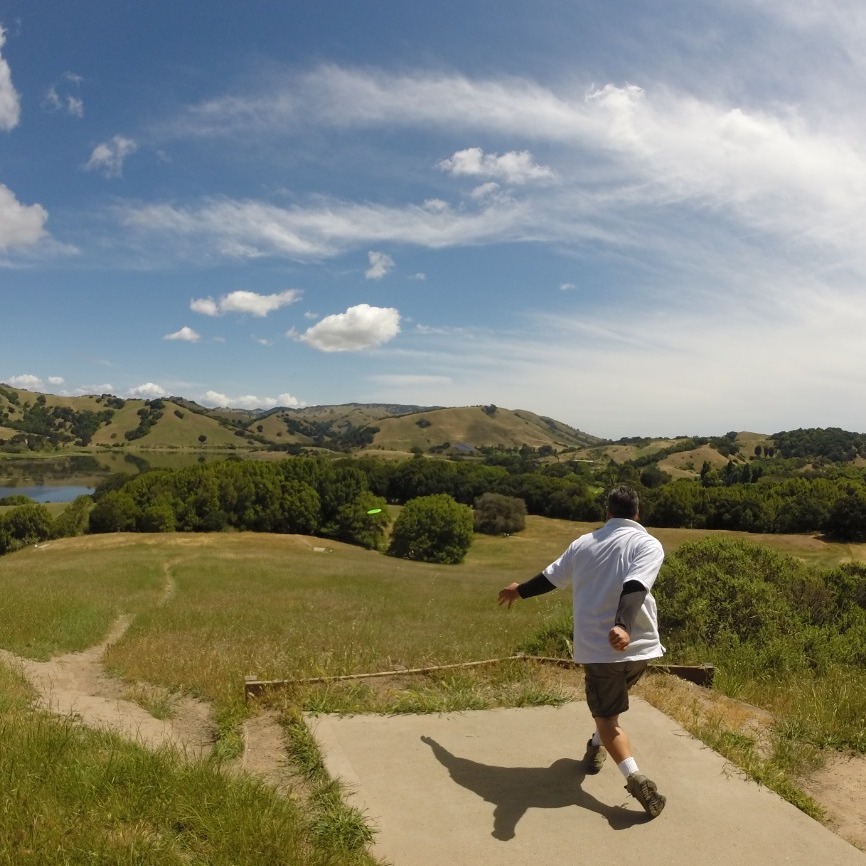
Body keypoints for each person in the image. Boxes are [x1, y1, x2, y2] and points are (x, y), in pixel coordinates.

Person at [497, 484, 666, 818]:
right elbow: (636, 584)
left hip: (604, 649)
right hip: (642, 650)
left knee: (606, 718)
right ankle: (594, 748)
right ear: (637, 513)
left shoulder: (584, 543)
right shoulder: (647, 543)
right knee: (610, 708)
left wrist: (520, 591)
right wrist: (628, 628)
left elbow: (551, 579)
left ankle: (634, 776)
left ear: (607, 512)